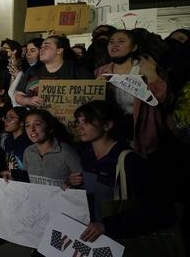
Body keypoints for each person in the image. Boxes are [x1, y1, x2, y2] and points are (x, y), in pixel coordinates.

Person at [67, 101, 177, 249]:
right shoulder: (85, 154)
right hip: (91, 238)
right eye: (78, 122)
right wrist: (71, 182)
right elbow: (94, 193)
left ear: (107, 125)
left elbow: (156, 209)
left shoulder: (130, 161)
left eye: (86, 122)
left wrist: (106, 226)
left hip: (119, 242)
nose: (80, 127)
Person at [95, 29, 168, 156]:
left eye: (121, 41)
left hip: (142, 135)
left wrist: (152, 76)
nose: (115, 45)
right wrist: (97, 87)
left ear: (134, 47)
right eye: (111, 42)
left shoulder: (146, 68)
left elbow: (162, 99)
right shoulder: (101, 72)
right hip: (111, 132)